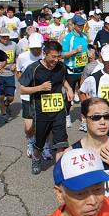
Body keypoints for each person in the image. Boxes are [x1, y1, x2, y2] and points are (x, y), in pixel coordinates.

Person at [19, 40, 74, 174]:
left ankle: (61, 170)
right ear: (45, 54)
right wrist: (40, 88)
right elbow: (22, 89)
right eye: (53, 57)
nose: (56, 60)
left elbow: (62, 80)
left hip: (58, 110)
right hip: (40, 112)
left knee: (61, 142)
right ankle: (36, 158)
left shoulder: (61, 67)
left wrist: (69, 88)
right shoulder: (33, 68)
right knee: (40, 142)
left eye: (58, 56)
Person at [15, 33, 44, 158]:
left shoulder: (46, 56)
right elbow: (18, 71)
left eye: (38, 48)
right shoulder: (22, 57)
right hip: (28, 96)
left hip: (44, 96)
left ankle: (45, 146)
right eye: (33, 48)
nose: (36, 51)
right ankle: (30, 142)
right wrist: (23, 83)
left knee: (45, 124)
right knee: (29, 127)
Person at [61, 14, 89, 128]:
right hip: (71, 71)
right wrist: (74, 51)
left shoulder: (85, 36)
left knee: (84, 95)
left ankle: (84, 120)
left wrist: (89, 54)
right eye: (79, 25)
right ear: (73, 25)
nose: (81, 27)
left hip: (83, 71)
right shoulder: (68, 38)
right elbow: (62, 55)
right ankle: (67, 116)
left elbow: (86, 52)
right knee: (70, 96)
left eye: (82, 25)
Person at [0, 31, 17, 123]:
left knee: (11, 97)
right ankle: (4, 113)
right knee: (0, 95)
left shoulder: (14, 44)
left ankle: (7, 103)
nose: (5, 38)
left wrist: (15, 64)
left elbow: (18, 56)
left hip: (10, 73)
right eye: (3, 37)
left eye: (7, 36)